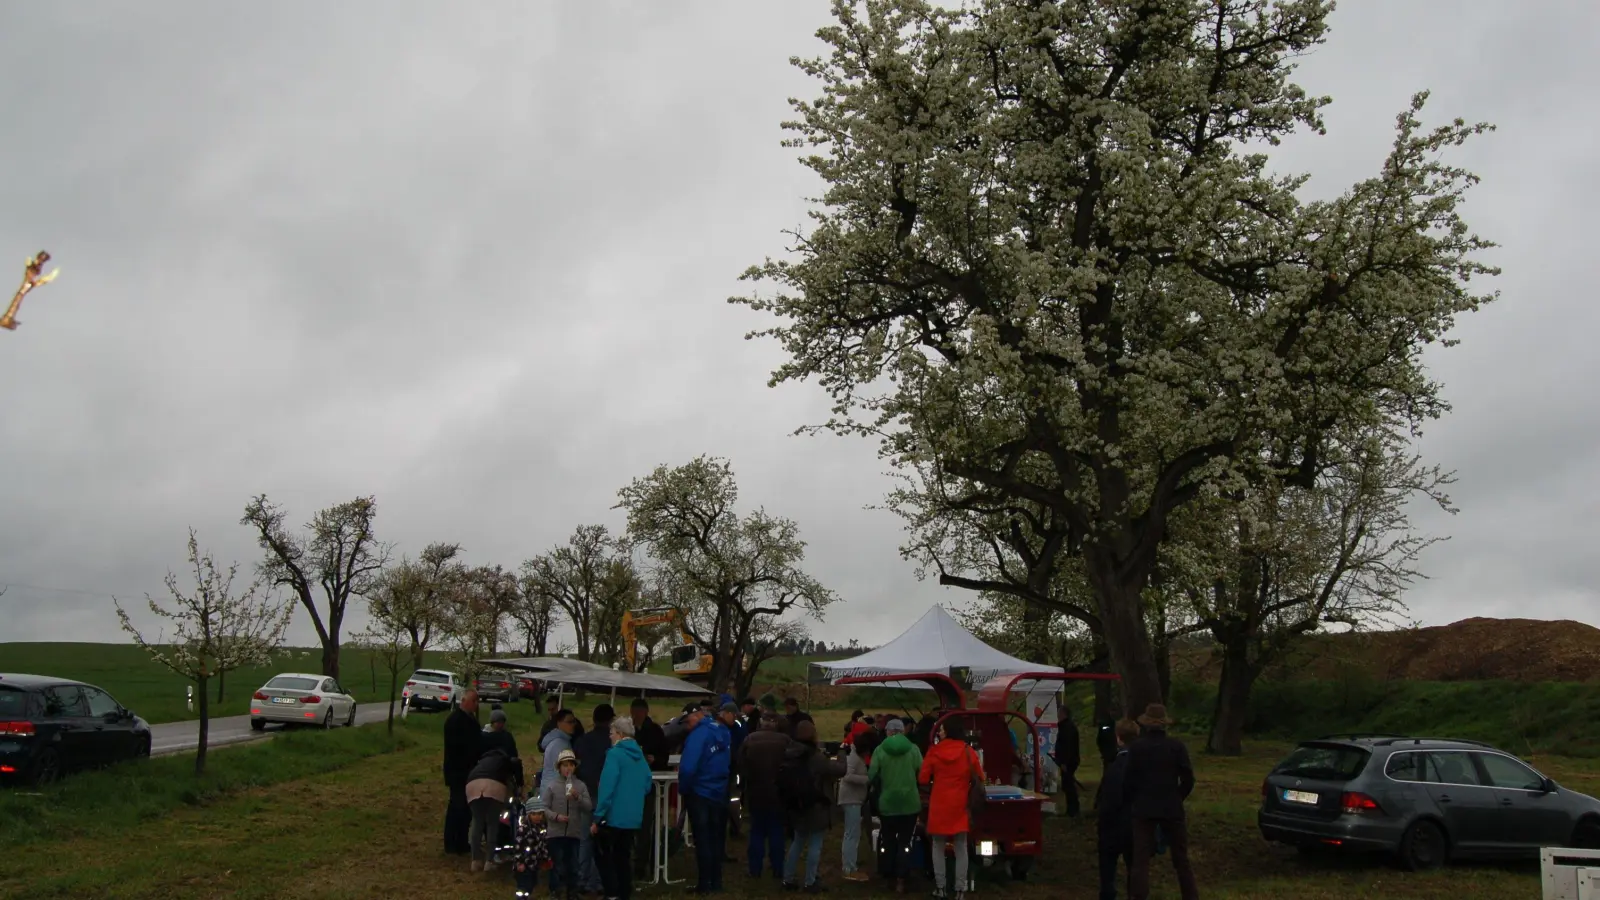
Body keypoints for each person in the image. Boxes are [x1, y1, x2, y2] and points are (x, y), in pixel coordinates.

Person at [1124, 704, 1198, 900]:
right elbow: (1188, 779)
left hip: (1144, 807)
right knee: (1181, 859)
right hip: (1171, 806)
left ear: (1146, 725)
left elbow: (1128, 779)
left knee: (1140, 860)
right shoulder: (1176, 747)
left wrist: (1135, 799)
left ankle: (1138, 897)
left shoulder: (1137, 748)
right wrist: (1177, 796)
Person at [781, 719, 846, 892]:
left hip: (796, 804)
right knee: (815, 844)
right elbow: (840, 770)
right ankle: (810, 881)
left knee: (797, 841)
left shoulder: (789, 752)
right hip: (816, 805)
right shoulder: (815, 757)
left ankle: (788, 878)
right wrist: (842, 752)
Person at [920, 718, 981, 900]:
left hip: (939, 805)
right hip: (960, 805)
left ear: (948, 732)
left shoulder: (934, 752)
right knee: (961, 847)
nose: (939, 732)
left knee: (937, 846)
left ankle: (941, 887)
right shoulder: (968, 752)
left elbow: (923, 778)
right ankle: (960, 889)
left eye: (942, 730)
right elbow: (980, 776)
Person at [593, 715, 652, 900]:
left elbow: (607, 786)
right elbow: (647, 783)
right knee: (623, 857)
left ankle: (611, 893)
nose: (609, 737)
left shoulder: (615, 754)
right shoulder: (639, 756)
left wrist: (598, 815)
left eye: (611, 733)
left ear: (618, 733)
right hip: (633, 816)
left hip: (613, 815)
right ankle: (624, 893)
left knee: (604, 856)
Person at [679, 704, 733, 894]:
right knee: (716, 838)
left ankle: (704, 884)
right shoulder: (723, 730)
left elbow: (687, 768)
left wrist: (684, 789)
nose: (686, 726)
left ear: (695, 716)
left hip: (700, 792)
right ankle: (716, 882)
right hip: (719, 790)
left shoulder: (698, 735)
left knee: (702, 840)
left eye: (687, 721)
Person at [869, 718, 923, 893]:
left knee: (889, 840)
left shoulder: (879, 750)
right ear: (902, 731)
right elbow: (921, 773)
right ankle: (902, 878)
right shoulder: (914, 750)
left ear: (889, 732)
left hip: (888, 803)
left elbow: (871, 775)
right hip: (909, 802)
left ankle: (888, 875)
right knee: (905, 842)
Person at [739, 714, 791, 881]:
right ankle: (778, 868)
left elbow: (740, 764)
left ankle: (755, 869)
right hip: (779, 792)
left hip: (756, 791)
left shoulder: (750, 739)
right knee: (777, 832)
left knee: (757, 831)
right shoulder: (785, 741)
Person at [572, 704, 614, 895]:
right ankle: (597, 882)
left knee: (584, 839)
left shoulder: (583, 740)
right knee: (601, 841)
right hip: (603, 794)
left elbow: (575, 766)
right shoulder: (612, 742)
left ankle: (581, 878)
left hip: (584, 792)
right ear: (610, 720)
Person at [542, 748, 594, 900]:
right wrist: (556, 816)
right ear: (559, 768)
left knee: (573, 865)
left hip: (573, 832)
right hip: (555, 833)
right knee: (557, 864)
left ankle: (572, 892)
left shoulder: (580, 786)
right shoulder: (552, 786)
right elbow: (543, 807)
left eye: (571, 765)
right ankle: (555, 891)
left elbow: (588, 807)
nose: (568, 768)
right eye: (565, 765)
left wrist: (577, 797)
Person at [1096, 718, 1139, 900]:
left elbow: (1111, 798)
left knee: (1108, 866)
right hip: (1136, 823)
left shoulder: (1117, 766)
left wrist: (1101, 818)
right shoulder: (1143, 764)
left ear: (1118, 738)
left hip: (1115, 824)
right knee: (1135, 868)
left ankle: (1108, 894)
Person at [629, 697, 669, 878]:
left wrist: (655, 760)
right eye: (632, 713)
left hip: (649, 784)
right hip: (630, 784)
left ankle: (641, 864)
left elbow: (665, 757)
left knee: (645, 826)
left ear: (644, 712)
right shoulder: (627, 732)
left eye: (637, 713)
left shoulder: (655, 731)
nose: (634, 716)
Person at [465, 743, 520, 872]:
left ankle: (475, 860)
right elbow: (515, 770)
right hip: (494, 786)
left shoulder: (481, 762)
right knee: (492, 824)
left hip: (472, 785)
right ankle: (489, 861)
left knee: (477, 822)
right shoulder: (504, 761)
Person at [442, 690, 483, 856]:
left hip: (468, 771)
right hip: (458, 772)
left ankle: (461, 841)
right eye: (474, 701)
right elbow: (458, 748)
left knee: (465, 809)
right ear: (465, 701)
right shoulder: (455, 721)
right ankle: (452, 842)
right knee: (457, 808)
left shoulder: (470, 720)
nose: (476, 705)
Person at [838, 729, 880, 883]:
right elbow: (847, 775)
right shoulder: (854, 758)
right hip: (851, 800)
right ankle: (848, 868)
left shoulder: (856, 756)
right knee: (851, 834)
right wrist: (866, 779)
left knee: (853, 833)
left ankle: (851, 866)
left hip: (854, 800)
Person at [512, 793, 551, 900]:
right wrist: (519, 862)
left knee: (532, 884)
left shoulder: (541, 828)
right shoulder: (523, 829)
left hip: (534, 864)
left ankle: (527, 896)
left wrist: (546, 859)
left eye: (540, 814)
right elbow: (518, 847)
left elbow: (542, 845)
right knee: (523, 886)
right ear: (528, 814)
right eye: (534, 814)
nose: (537, 816)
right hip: (523, 864)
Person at [718, 703, 748, 842]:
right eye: (733, 714)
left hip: (733, 768)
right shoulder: (718, 728)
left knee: (734, 799)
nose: (734, 717)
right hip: (723, 770)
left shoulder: (737, 727)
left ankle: (735, 826)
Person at [1054, 708, 1082, 818]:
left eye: (1059, 713)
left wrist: (1065, 762)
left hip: (1069, 762)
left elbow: (1068, 747)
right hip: (1066, 761)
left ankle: (1074, 810)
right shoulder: (1065, 727)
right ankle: (1071, 809)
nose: (1058, 715)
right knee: (1067, 785)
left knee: (1069, 785)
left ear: (1064, 714)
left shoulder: (1068, 728)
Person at [541, 709, 579, 790]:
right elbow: (562, 772)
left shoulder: (562, 741)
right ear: (559, 723)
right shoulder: (559, 744)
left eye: (574, 721)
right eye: (569, 722)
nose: (573, 725)